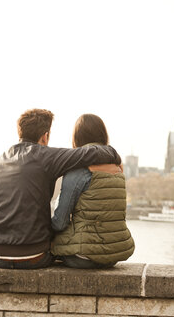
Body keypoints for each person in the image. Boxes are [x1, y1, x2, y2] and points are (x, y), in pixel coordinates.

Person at [0, 109, 121, 269]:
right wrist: (114, 155)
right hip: (32, 255)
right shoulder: (46, 156)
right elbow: (92, 153)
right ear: (45, 136)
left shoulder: (0, 160)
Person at [51, 114, 134, 268]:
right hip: (114, 254)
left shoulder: (79, 171)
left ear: (76, 138)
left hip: (84, 256)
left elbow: (60, 222)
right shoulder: (118, 169)